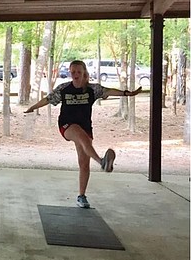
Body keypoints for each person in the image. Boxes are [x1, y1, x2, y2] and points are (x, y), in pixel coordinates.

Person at [24, 60, 142, 208]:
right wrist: (33, 107)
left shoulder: (93, 89)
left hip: (86, 126)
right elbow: (47, 100)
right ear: (70, 73)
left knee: (84, 162)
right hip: (67, 125)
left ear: (84, 73)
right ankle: (101, 162)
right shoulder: (64, 89)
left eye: (78, 72)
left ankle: (82, 196)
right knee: (80, 135)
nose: (75, 75)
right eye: (73, 72)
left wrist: (127, 93)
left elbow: (110, 91)